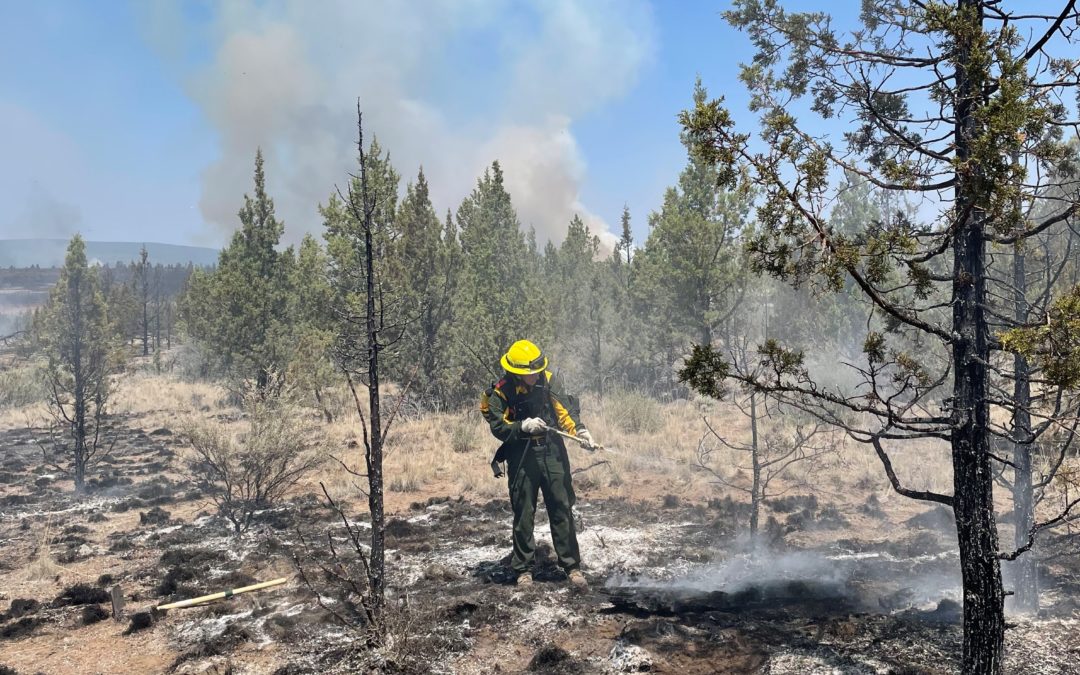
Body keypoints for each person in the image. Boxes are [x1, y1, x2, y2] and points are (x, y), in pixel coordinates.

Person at [480, 339, 593, 589]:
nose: (535, 376)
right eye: (529, 373)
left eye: (537, 371)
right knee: (523, 512)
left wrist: (581, 432)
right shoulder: (500, 393)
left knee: (562, 508)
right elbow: (498, 426)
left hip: (553, 451)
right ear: (516, 372)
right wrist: (522, 426)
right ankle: (523, 570)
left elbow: (565, 413)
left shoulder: (549, 379)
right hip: (521, 454)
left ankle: (572, 567)